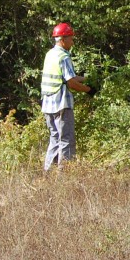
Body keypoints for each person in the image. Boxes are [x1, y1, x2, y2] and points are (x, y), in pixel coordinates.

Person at [41, 22, 92, 171]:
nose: (73, 42)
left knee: (55, 139)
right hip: (61, 103)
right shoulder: (63, 56)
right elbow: (70, 83)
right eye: (71, 38)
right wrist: (89, 90)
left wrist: (86, 79)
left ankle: (48, 173)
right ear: (63, 39)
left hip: (48, 104)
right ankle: (66, 176)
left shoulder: (50, 54)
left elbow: (68, 77)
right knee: (66, 140)